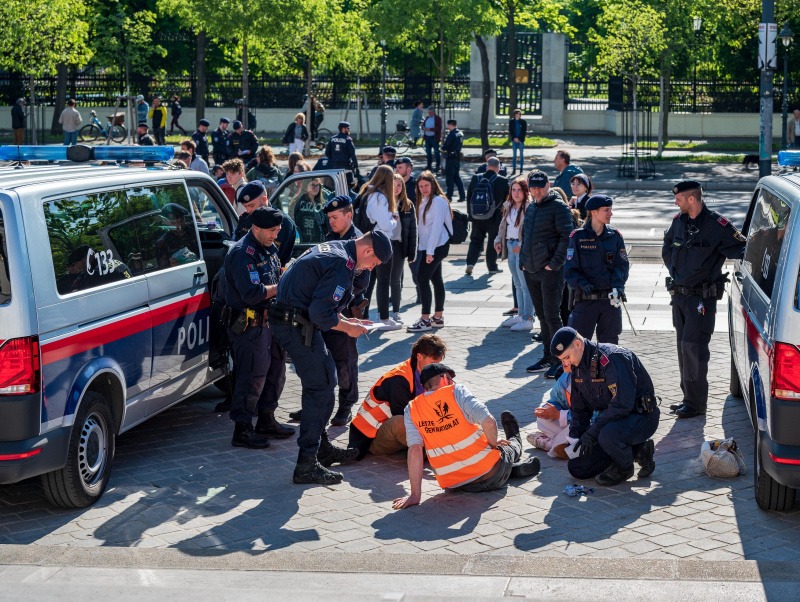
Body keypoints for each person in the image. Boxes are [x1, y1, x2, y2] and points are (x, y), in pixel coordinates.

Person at [268, 231, 392, 485]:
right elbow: (321, 313)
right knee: (322, 387)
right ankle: (306, 463)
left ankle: (320, 449)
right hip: (296, 324)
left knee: (323, 381)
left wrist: (348, 320)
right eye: (375, 263)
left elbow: (320, 301)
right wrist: (349, 329)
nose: (371, 268)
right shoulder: (341, 263)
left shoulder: (338, 249)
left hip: (294, 320)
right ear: (368, 251)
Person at [393, 363, 540, 508]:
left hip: (457, 485)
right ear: (445, 378)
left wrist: (414, 495)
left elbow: (415, 450)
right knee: (507, 447)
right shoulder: (456, 391)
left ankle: (513, 470)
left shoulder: (411, 409)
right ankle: (514, 440)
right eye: (451, 378)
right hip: (492, 474)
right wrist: (493, 443)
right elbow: (489, 423)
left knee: (494, 450)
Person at [662, 180, 746, 419]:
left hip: (701, 300)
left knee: (694, 348)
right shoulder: (679, 222)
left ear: (691, 199)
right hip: (679, 297)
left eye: (678, 198)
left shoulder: (717, 225)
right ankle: (689, 398)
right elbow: (667, 248)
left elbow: (743, 248)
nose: (675, 202)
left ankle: (697, 404)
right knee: (683, 349)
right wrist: (677, 274)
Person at [218, 205, 295, 448]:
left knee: (275, 372)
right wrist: (282, 284)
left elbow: (271, 276)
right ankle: (242, 429)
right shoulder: (243, 253)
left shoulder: (268, 247)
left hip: (269, 322)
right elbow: (252, 293)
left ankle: (266, 420)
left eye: (278, 230)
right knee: (252, 377)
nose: (275, 235)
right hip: (248, 326)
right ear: (256, 227)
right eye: (272, 230)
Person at [550, 327, 659, 486]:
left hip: (641, 417)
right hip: (611, 424)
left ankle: (624, 467)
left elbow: (622, 405)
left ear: (578, 344)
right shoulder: (578, 367)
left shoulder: (613, 359)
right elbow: (580, 410)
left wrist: (591, 434)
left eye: (566, 357)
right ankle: (638, 449)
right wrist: (574, 439)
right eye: (562, 360)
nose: (565, 363)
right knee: (578, 468)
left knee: (607, 435)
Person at [349, 334, 447, 460]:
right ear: (419, 356)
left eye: (438, 363)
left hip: (395, 436)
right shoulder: (399, 379)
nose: (436, 368)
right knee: (400, 422)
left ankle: (434, 448)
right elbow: (405, 417)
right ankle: (435, 452)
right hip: (371, 438)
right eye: (433, 362)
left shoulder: (423, 373)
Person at [319, 195, 371, 426]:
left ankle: (346, 406)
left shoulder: (358, 241)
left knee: (345, 361)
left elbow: (360, 283)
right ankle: (318, 403)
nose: (331, 221)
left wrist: (331, 290)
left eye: (335, 217)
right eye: (329, 217)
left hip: (345, 310)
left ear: (349, 216)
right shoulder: (331, 237)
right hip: (325, 308)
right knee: (320, 358)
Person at [520, 171, 573, 379]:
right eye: (533, 187)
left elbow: (567, 237)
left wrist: (554, 264)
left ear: (548, 185)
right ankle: (548, 357)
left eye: (540, 187)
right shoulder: (532, 206)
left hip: (550, 271)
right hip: (532, 270)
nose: (536, 191)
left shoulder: (559, 207)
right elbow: (526, 235)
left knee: (552, 316)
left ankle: (561, 361)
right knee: (542, 316)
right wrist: (524, 262)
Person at [565, 194, 629, 345]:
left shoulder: (615, 236)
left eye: (610, 210)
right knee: (579, 346)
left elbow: (622, 266)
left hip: (610, 303)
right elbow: (570, 269)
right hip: (586, 302)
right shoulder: (577, 237)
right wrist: (582, 284)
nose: (610, 214)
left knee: (610, 347)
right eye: (606, 210)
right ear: (594, 212)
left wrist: (618, 285)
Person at [407, 171, 452, 332]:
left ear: (433, 185)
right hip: (429, 247)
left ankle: (425, 319)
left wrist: (430, 252)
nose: (424, 189)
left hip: (437, 246)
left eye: (426, 185)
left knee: (422, 278)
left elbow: (436, 228)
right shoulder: (425, 201)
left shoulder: (438, 201)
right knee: (436, 279)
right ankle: (437, 318)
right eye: (420, 186)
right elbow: (423, 229)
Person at [358, 165, 398, 329]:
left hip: (368, 241)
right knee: (383, 281)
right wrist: (394, 219)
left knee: (369, 281)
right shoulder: (380, 198)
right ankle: (384, 318)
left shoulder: (366, 194)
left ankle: (364, 315)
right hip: (380, 242)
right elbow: (386, 225)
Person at [495, 178, 534, 332]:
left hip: (521, 247)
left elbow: (531, 230)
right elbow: (503, 226)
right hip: (510, 245)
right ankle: (520, 314)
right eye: (513, 190)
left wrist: (521, 244)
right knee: (517, 283)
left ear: (525, 191)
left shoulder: (529, 207)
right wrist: (498, 240)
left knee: (525, 285)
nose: (516, 193)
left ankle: (528, 318)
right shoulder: (508, 206)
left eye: (519, 190)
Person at [233, 180, 297, 268]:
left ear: (264, 199)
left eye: (251, 206)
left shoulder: (284, 223)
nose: (248, 210)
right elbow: (236, 246)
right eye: (245, 206)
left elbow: (281, 258)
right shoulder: (245, 219)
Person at [465, 157, 508, 276]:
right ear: (498, 168)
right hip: (495, 218)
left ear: (487, 166)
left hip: (477, 217)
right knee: (492, 242)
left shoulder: (476, 178)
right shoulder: (503, 181)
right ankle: (492, 267)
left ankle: (470, 263)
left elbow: (469, 197)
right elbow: (507, 201)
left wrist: (471, 215)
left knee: (475, 240)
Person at [528, 365, 573, 459]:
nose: (565, 363)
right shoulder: (564, 379)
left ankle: (549, 444)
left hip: (583, 422)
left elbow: (590, 417)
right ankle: (564, 444)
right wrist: (550, 411)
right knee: (542, 419)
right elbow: (555, 400)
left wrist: (561, 415)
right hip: (567, 420)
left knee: (582, 427)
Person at [155, 204, 199, 268]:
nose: (179, 226)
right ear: (165, 222)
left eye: (181, 221)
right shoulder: (162, 244)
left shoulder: (194, 229)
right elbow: (163, 270)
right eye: (173, 223)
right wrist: (171, 266)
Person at [288, 178, 329, 243]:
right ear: (305, 186)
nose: (315, 188)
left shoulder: (321, 202)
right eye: (312, 185)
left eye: (317, 185)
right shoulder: (297, 202)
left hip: (321, 242)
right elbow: (291, 222)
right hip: (304, 243)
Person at [441, 119, 465, 203]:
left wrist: (442, 147)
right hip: (457, 157)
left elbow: (446, 145)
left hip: (451, 158)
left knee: (450, 178)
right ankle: (462, 195)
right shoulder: (460, 133)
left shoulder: (452, 134)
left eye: (448, 125)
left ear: (450, 125)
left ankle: (449, 196)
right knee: (456, 177)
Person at [422, 106, 442, 173]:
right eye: (428, 112)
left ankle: (437, 166)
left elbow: (439, 128)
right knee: (428, 153)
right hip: (427, 137)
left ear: (433, 112)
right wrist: (423, 127)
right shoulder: (427, 118)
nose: (429, 114)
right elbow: (423, 125)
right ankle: (429, 166)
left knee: (436, 152)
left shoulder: (437, 118)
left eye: (430, 112)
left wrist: (430, 129)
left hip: (434, 137)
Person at [509, 109, 527, 175]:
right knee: (514, 155)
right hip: (514, 140)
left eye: (520, 114)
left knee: (521, 155)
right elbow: (511, 131)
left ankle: (521, 169)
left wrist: (519, 139)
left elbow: (524, 131)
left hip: (521, 141)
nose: (520, 115)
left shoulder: (523, 122)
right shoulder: (511, 121)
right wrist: (514, 138)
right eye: (518, 114)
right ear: (515, 114)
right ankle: (514, 169)